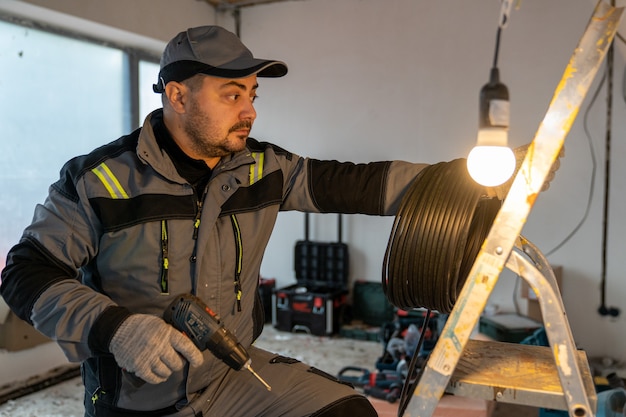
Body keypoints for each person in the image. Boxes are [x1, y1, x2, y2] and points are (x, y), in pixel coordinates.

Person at [0, 25, 558, 417]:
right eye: (232, 94)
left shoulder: (264, 168)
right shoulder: (97, 180)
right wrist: (115, 329)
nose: (251, 109)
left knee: (348, 412)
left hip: (232, 377)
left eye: (253, 93)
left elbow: (360, 182)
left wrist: (487, 179)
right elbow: (25, 273)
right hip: (135, 401)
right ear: (177, 94)